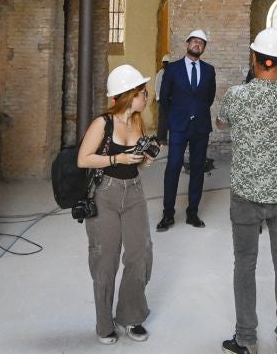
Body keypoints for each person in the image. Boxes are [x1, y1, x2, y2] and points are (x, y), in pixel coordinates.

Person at [221, 28, 277, 354]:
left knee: (244, 263)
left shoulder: (235, 95)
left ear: (254, 59)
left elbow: (221, 122)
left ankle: (245, 339)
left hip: (245, 194)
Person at [78, 64, 157, 344]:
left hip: (134, 191)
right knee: (105, 258)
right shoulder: (103, 123)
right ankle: (104, 323)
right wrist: (117, 159)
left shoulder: (137, 122)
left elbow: (141, 165)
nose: (146, 96)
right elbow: (83, 159)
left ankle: (131, 316)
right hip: (105, 193)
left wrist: (146, 158)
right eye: (142, 92)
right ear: (128, 94)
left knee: (140, 254)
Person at [157, 29, 215, 231]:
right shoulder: (172, 69)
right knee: (173, 167)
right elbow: (164, 99)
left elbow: (209, 98)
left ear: (204, 48)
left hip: (200, 126)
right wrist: (174, 117)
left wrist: (195, 112)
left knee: (198, 169)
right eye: (194, 41)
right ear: (187, 44)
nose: (197, 44)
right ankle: (168, 214)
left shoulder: (209, 70)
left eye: (201, 42)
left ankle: (193, 213)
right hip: (179, 126)